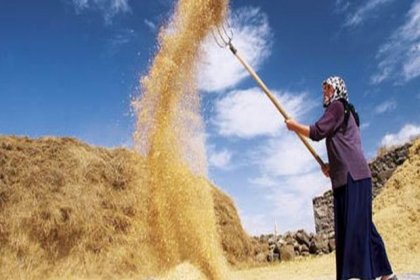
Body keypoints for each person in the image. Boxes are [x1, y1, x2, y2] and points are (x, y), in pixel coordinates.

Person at [285, 76, 397, 280]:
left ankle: (361, 276)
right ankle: (387, 275)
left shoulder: (337, 106)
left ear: (337, 89)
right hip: (349, 177)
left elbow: (317, 131)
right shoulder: (344, 112)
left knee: (354, 229)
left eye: (327, 88)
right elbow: (343, 144)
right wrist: (331, 166)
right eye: (324, 89)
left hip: (353, 177)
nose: (324, 92)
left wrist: (295, 127)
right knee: (363, 226)